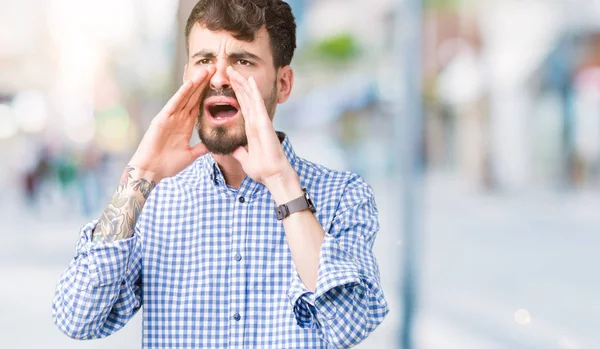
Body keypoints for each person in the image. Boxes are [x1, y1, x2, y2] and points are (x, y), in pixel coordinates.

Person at [52, 1, 389, 348]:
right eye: (204, 60)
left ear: (283, 83)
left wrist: (282, 184)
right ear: (187, 78)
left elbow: (350, 324)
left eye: (243, 61)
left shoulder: (344, 196)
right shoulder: (154, 200)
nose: (218, 78)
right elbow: (77, 317)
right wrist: (140, 175)